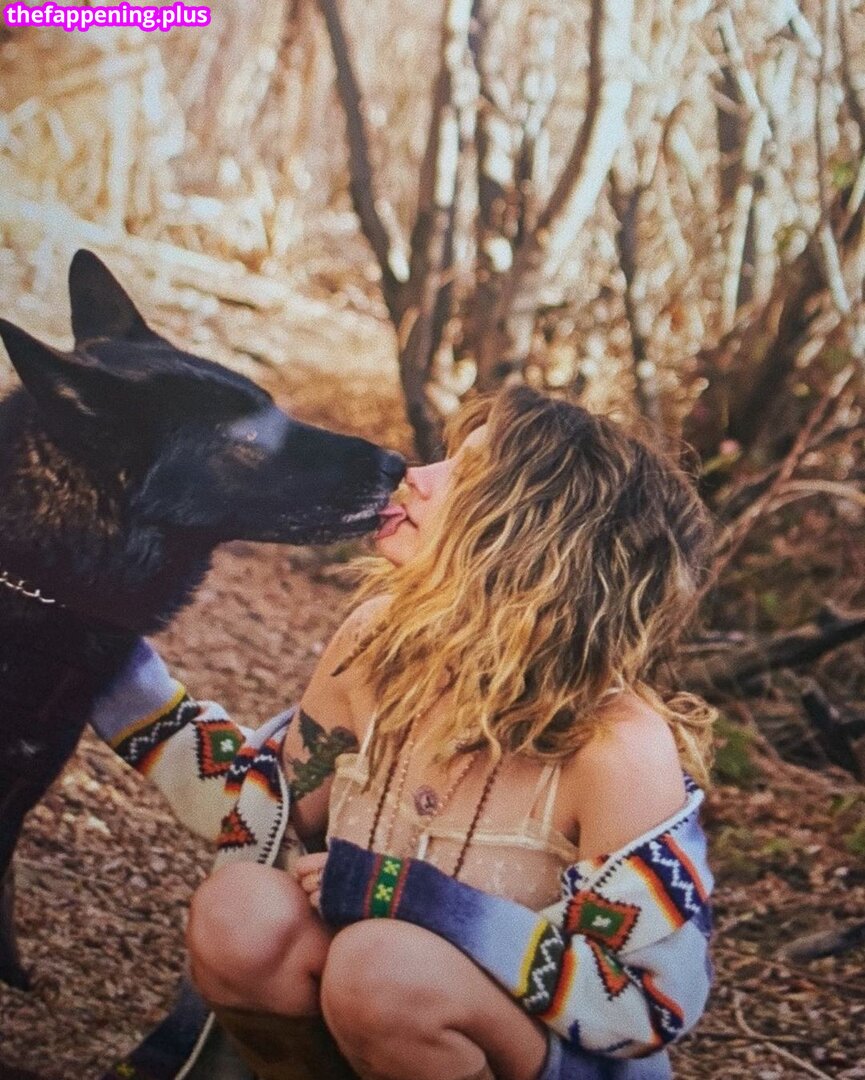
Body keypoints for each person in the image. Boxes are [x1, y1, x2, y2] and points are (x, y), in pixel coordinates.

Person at [91, 386, 715, 1080]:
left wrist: (423, 900)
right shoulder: (376, 644)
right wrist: (96, 651)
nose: (414, 475)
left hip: (536, 1056)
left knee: (384, 971)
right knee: (242, 914)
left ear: (538, 536)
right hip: (370, 1012)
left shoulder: (616, 747)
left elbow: (645, 1003)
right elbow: (263, 810)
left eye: (466, 474)